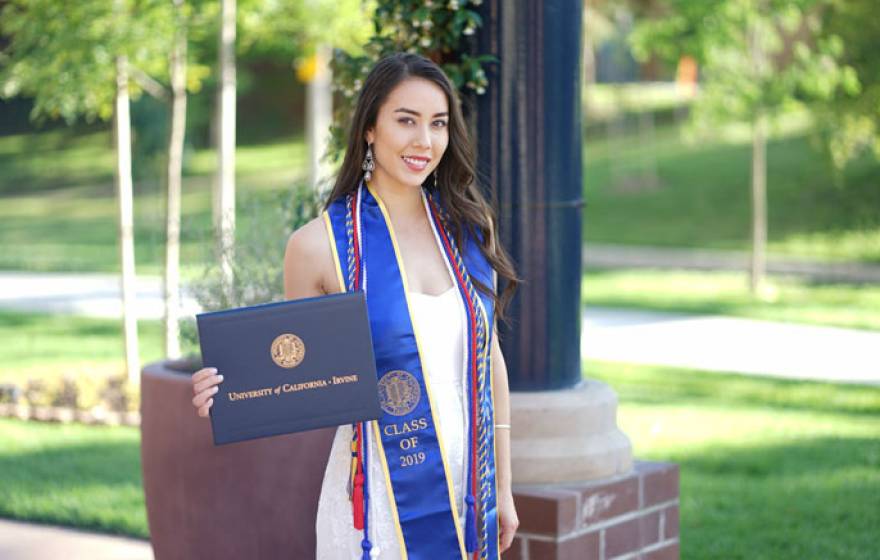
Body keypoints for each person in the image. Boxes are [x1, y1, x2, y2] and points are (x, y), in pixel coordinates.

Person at [190, 52, 520, 559]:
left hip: (469, 486)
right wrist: (229, 387)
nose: (424, 142)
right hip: (379, 494)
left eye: (438, 124)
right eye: (405, 120)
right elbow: (295, 374)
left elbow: (490, 360)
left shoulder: (468, 233)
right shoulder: (319, 246)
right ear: (369, 128)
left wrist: (505, 484)